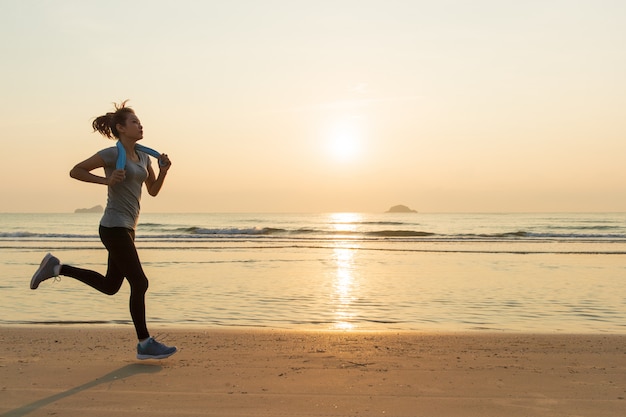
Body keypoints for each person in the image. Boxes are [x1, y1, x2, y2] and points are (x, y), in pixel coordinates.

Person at [30, 100, 177, 360]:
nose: (140, 125)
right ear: (120, 128)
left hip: (128, 228)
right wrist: (106, 180)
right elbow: (76, 171)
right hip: (113, 227)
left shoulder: (144, 156)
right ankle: (144, 344)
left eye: (140, 122)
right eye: (134, 122)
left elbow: (152, 191)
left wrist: (163, 172)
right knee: (140, 282)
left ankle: (56, 268)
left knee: (111, 286)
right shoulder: (111, 154)